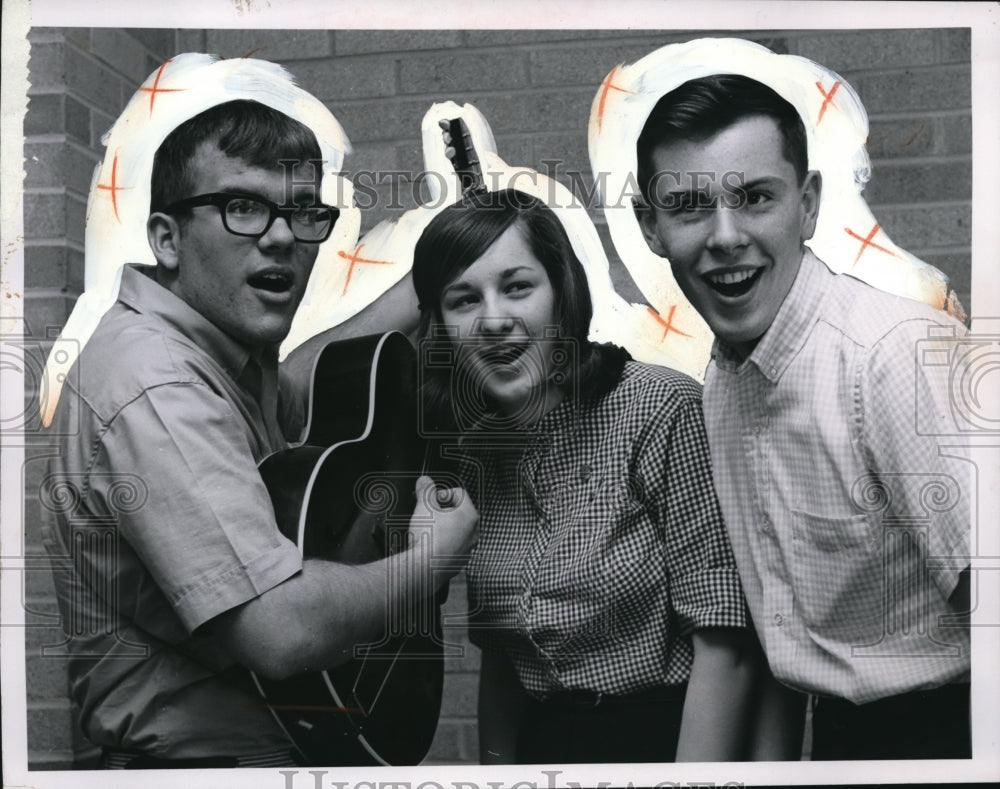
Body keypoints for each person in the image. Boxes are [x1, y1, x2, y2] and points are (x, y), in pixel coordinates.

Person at [40, 98, 478, 768]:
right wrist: (428, 563)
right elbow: (281, 629)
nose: (281, 238)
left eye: (303, 213)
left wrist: (442, 270)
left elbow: (310, 373)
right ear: (167, 237)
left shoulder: (222, 354)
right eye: (242, 208)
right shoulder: (155, 383)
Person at [634, 73, 972, 760]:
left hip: (955, 733)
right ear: (652, 227)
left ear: (808, 204)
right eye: (691, 206)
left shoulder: (891, 357)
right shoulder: (725, 382)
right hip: (845, 740)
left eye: (755, 198)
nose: (726, 237)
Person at [410, 188, 756, 764]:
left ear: (562, 294)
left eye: (518, 287)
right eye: (463, 299)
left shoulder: (658, 408)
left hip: (664, 741)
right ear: (442, 326)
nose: (494, 320)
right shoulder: (473, 457)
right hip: (542, 750)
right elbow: (504, 660)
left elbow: (726, 645)